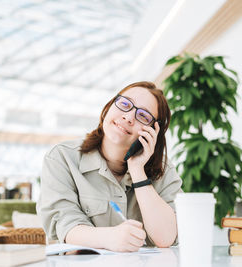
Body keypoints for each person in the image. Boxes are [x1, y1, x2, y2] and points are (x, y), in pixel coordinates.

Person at [37, 81, 183, 252]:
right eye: (125, 104)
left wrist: (138, 172)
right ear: (108, 107)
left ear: (153, 132)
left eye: (143, 116)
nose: (128, 117)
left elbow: (166, 237)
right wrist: (111, 238)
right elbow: (65, 224)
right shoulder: (62, 157)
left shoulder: (163, 170)